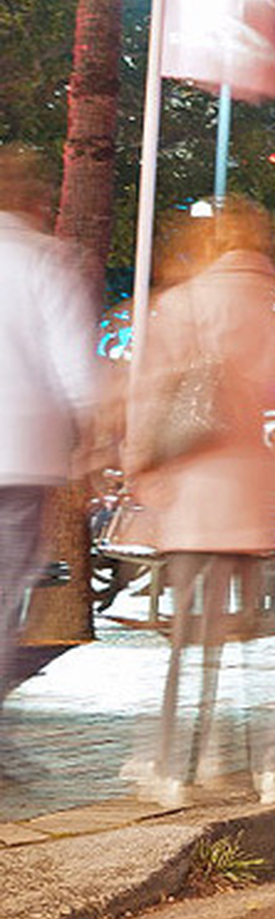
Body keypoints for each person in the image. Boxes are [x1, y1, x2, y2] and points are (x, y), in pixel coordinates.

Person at [126, 203, 275, 807]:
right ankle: (269, 773)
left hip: (192, 491)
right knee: (255, 642)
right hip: (251, 491)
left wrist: (139, 466)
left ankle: (178, 771)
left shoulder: (184, 304)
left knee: (188, 642)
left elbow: (152, 393)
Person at [0, 151, 99, 774]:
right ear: (35, 202)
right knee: (5, 595)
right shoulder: (44, 262)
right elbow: (76, 373)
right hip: (21, 458)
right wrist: (91, 448)